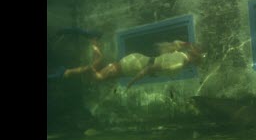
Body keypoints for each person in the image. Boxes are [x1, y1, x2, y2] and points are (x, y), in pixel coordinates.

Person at [49, 28, 205, 90]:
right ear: (196, 60)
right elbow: (150, 69)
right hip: (133, 66)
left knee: (100, 72)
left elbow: (174, 43)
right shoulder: (179, 63)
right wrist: (132, 83)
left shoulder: (180, 54)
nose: (199, 64)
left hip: (135, 62)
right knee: (96, 76)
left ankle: (94, 40)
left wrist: (188, 44)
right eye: (200, 61)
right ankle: (66, 72)